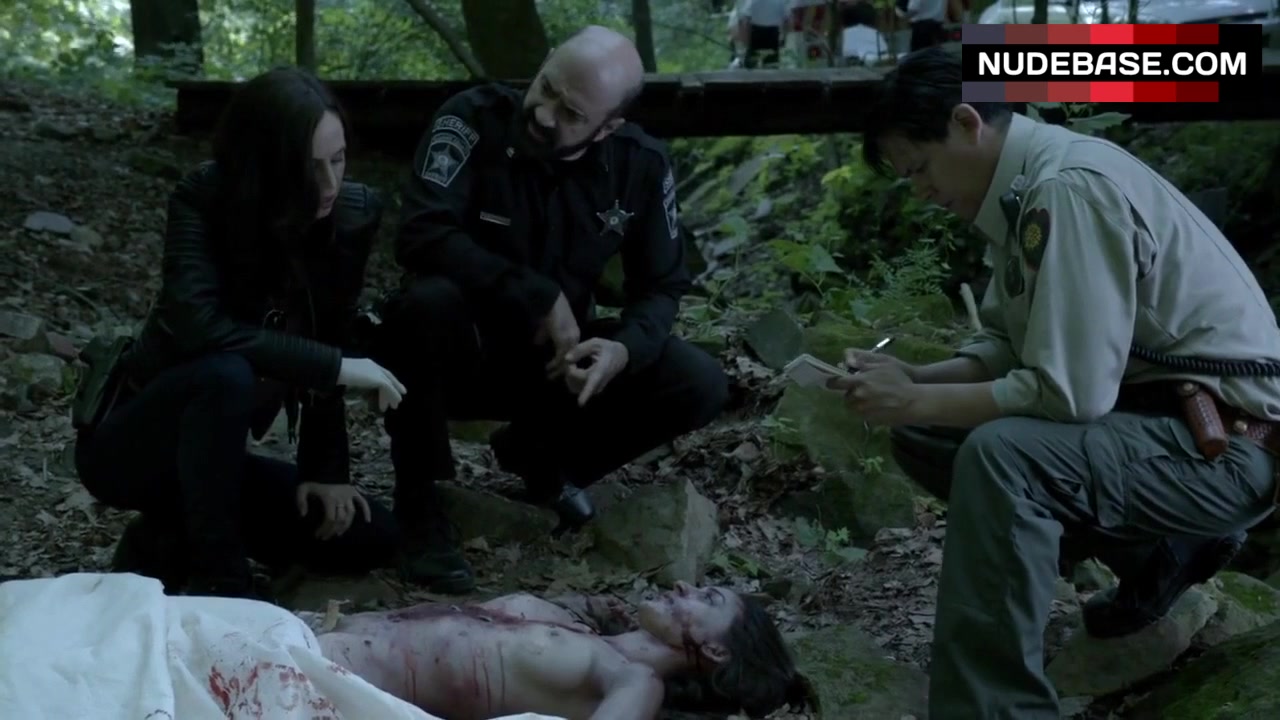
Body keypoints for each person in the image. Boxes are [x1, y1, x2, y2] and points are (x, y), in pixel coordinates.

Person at [837, 47, 1280, 718]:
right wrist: (914, 381)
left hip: (1228, 450)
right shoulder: (1024, 187)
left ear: (966, 122)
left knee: (1004, 455)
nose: (919, 191)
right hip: (1169, 424)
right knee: (927, 431)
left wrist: (917, 396)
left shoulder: (1067, 188)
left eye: (919, 168)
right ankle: (1162, 554)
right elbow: (1006, 347)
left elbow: (1070, 393)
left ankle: (995, 707)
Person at [369, 26, 729, 594]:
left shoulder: (640, 166)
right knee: (423, 306)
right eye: (546, 88)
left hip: (556, 367)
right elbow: (420, 233)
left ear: (608, 127)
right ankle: (422, 503)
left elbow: (662, 287)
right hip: (459, 354)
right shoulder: (470, 120)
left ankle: (545, 458)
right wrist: (537, 294)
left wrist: (622, 349)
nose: (543, 113)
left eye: (571, 113)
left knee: (700, 381)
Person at [71, 67, 407, 600]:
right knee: (224, 375)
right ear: (264, 163)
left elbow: (331, 329)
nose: (329, 185)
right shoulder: (203, 199)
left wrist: (326, 469)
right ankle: (221, 583)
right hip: (134, 448)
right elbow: (200, 328)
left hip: (214, 463)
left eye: (338, 160)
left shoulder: (352, 213)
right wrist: (335, 368)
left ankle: (166, 539)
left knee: (368, 534)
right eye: (309, 167)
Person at [309, 581, 808, 720]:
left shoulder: (635, 681)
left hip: (317, 689)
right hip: (310, 632)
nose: (684, 585)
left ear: (717, 651)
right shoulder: (577, 627)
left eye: (708, 599)